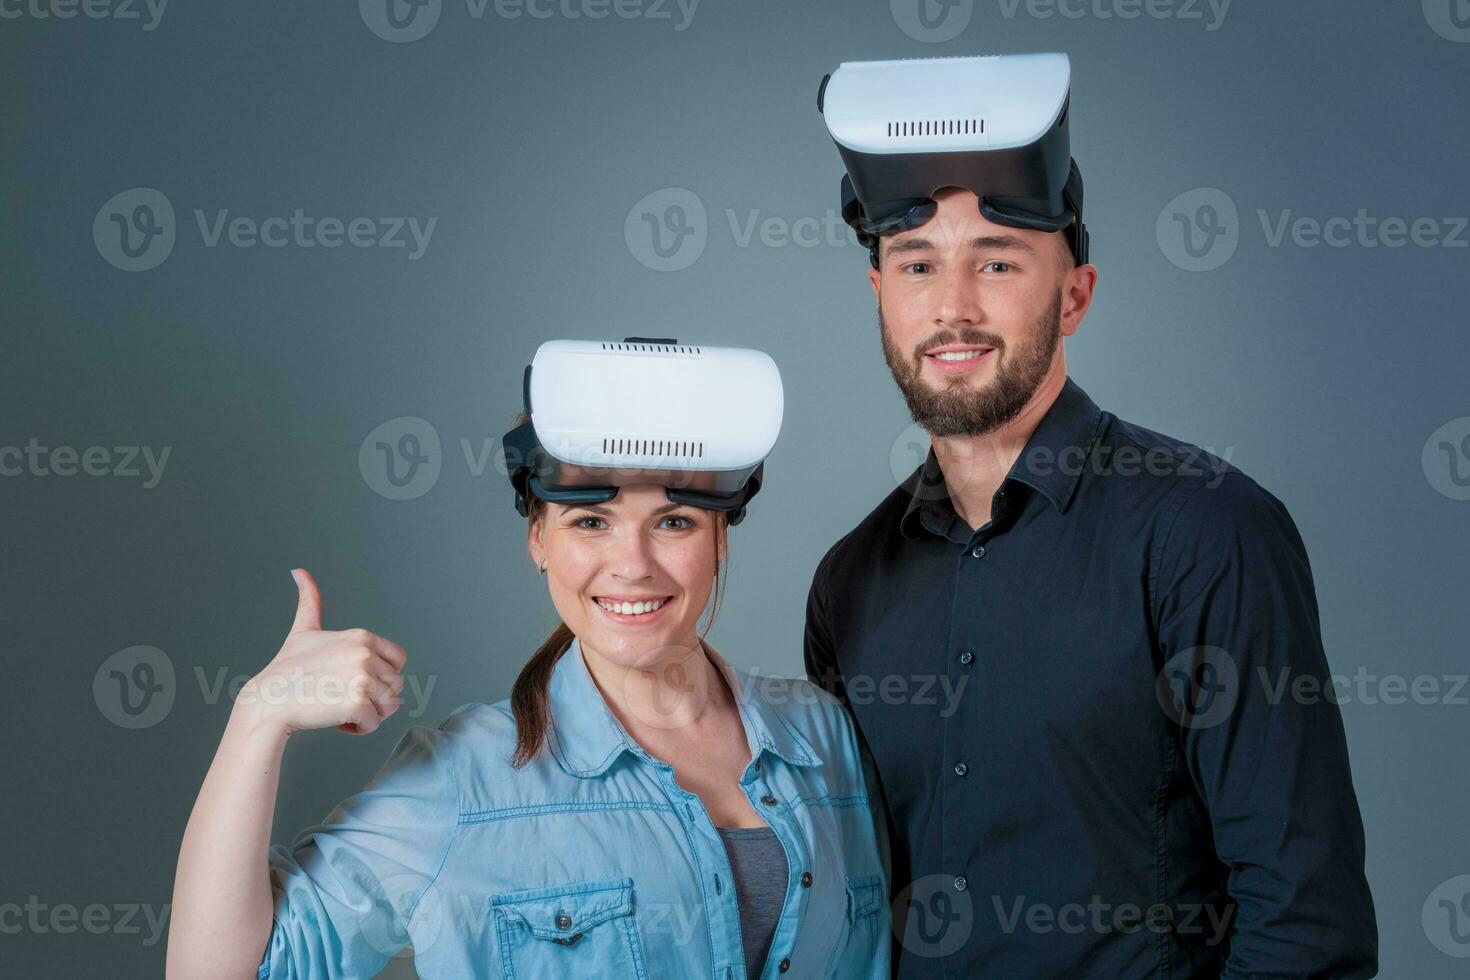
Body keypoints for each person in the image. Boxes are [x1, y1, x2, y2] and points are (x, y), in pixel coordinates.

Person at [806, 53, 1378, 977]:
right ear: (881, 297)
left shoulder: (1208, 532)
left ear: (1075, 296)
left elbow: (1305, 918)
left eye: (997, 262)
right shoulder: (849, 581)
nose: (952, 308)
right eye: (918, 265)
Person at [166, 339, 890, 979]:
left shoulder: (825, 740)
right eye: (591, 522)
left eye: (673, 521)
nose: (631, 565)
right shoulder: (463, 783)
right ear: (538, 541)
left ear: (720, 539)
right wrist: (257, 717)